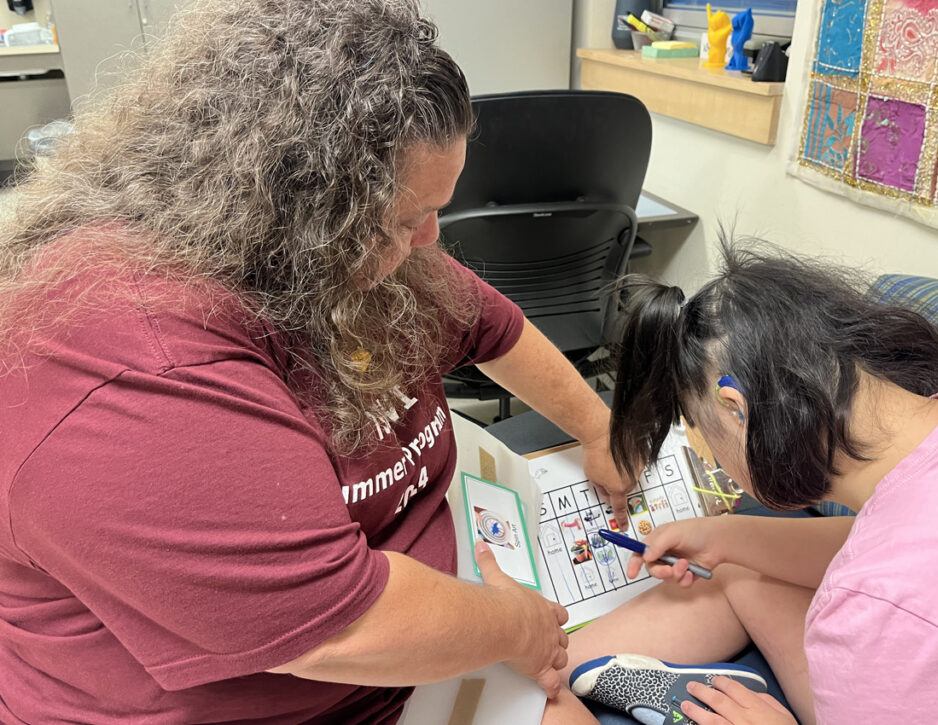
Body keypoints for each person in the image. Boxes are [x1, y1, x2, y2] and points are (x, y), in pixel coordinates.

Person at [0, 1, 634, 722]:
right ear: (302, 204)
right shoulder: (142, 371)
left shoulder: (335, 247)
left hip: (429, 629)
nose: (431, 238)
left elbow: (489, 326)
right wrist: (518, 628)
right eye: (406, 219)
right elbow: (344, 627)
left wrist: (597, 429)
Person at [545, 243, 938, 725]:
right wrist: (721, 537)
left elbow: (888, 584)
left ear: (736, 410)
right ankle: (542, 675)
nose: (713, 457)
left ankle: (533, 687)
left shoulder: (876, 607)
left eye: (700, 431)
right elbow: (877, 543)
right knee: (739, 572)